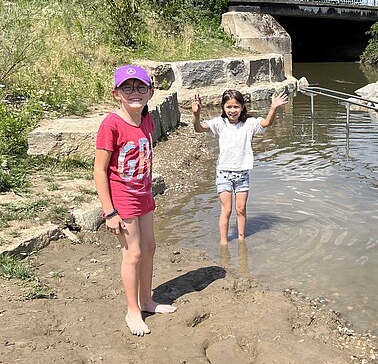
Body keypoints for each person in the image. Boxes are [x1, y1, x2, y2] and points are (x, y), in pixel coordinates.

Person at [94, 65, 176, 337]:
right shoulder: (111, 124)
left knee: (150, 248)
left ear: (151, 92)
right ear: (116, 93)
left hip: (144, 195)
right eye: (127, 87)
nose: (135, 93)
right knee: (134, 253)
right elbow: (99, 169)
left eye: (141, 87)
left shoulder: (147, 120)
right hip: (122, 200)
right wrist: (109, 211)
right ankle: (132, 311)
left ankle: (147, 300)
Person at [192, 89, 288, 244]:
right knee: (227, 209)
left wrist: (273, 108)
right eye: (228, 107)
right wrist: (196, 114)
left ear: (242, 107)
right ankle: (224, 242)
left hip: (242, 174)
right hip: (224, 173)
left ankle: (242, 241)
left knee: (241, 208)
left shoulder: (249, 123)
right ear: (223, 107)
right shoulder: (219, 123)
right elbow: (199, 128)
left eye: (236, 107)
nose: (232, 110)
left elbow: (266, 123)